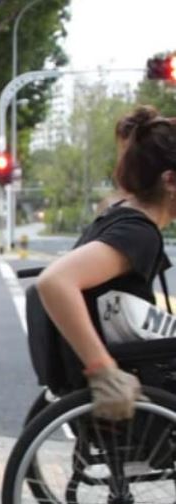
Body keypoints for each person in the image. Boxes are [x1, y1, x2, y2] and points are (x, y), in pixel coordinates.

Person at [37, 109, 176, 421]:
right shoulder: (137, 233)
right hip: (135, 369)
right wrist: (103, 369)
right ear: (169, 180)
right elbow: (55, 281)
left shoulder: (120, 214)